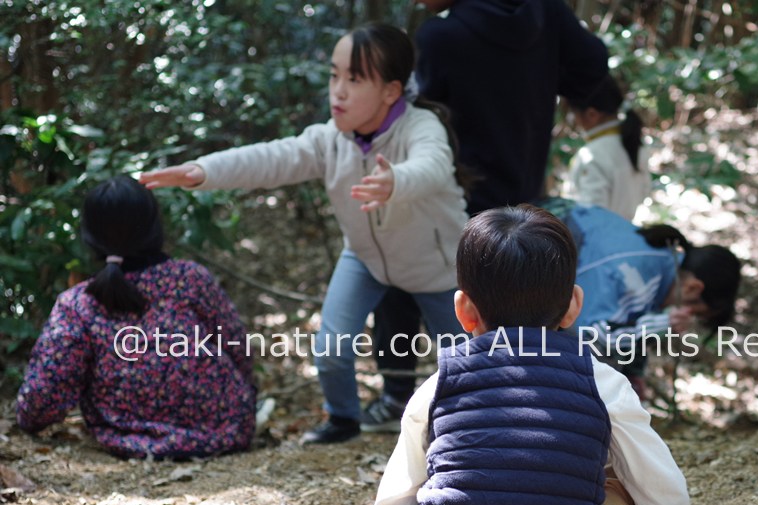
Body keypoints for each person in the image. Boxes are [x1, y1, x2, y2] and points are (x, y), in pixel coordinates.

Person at [371, 204, 690, 505]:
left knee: (427, 490)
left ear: (464, 310)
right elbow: (667, 494)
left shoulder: (439, 384)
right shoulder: (603, 383)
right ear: (573, 306)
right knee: (616, 486)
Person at [140, 24, 468, 445]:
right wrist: (202, 172)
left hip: (439, 267)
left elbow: (434, 164)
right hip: (366, 259)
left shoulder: (421, 127)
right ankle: (344, 420)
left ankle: (466, 429)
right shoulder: (330, 140)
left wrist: (396, 182)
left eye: (355, 79)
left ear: (390, 91)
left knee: (466, 363)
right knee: (331, 349)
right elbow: (271, 159)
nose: (339, 91)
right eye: (335, 75)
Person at [363, 0, 610, 434]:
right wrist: (540, 75)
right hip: (522, 192)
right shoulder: (545, 13)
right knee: (519, 295)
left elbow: (418, 119)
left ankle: (403, 395)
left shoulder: (440, 36)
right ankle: (528, 399)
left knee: (402, 272)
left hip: (453, 193)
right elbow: (592, 66)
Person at [16, 175, 256, 459]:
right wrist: (246, 399)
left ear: (89, 235)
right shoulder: (190, 279)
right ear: (155, 227)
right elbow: (237, 347)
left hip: (132, 439)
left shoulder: (77, 304)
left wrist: (27, 419)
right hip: (224, 429)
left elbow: (45, 393)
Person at [541, 199, 741, 398]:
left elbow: (628, 319)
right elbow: (587, 334)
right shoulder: (636, 278)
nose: (688, 319)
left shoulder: (660, 258)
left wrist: (633, 373)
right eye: (695, 312)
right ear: (692, 288)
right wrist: (660, 324)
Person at [563, 74, 651, 221]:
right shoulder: (636, 145)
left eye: (573, 113)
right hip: (624, 235)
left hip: (596, 241)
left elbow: (590, 216)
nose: (573, 120)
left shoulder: (592, 155)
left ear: (592, 114)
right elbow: (644, 193)